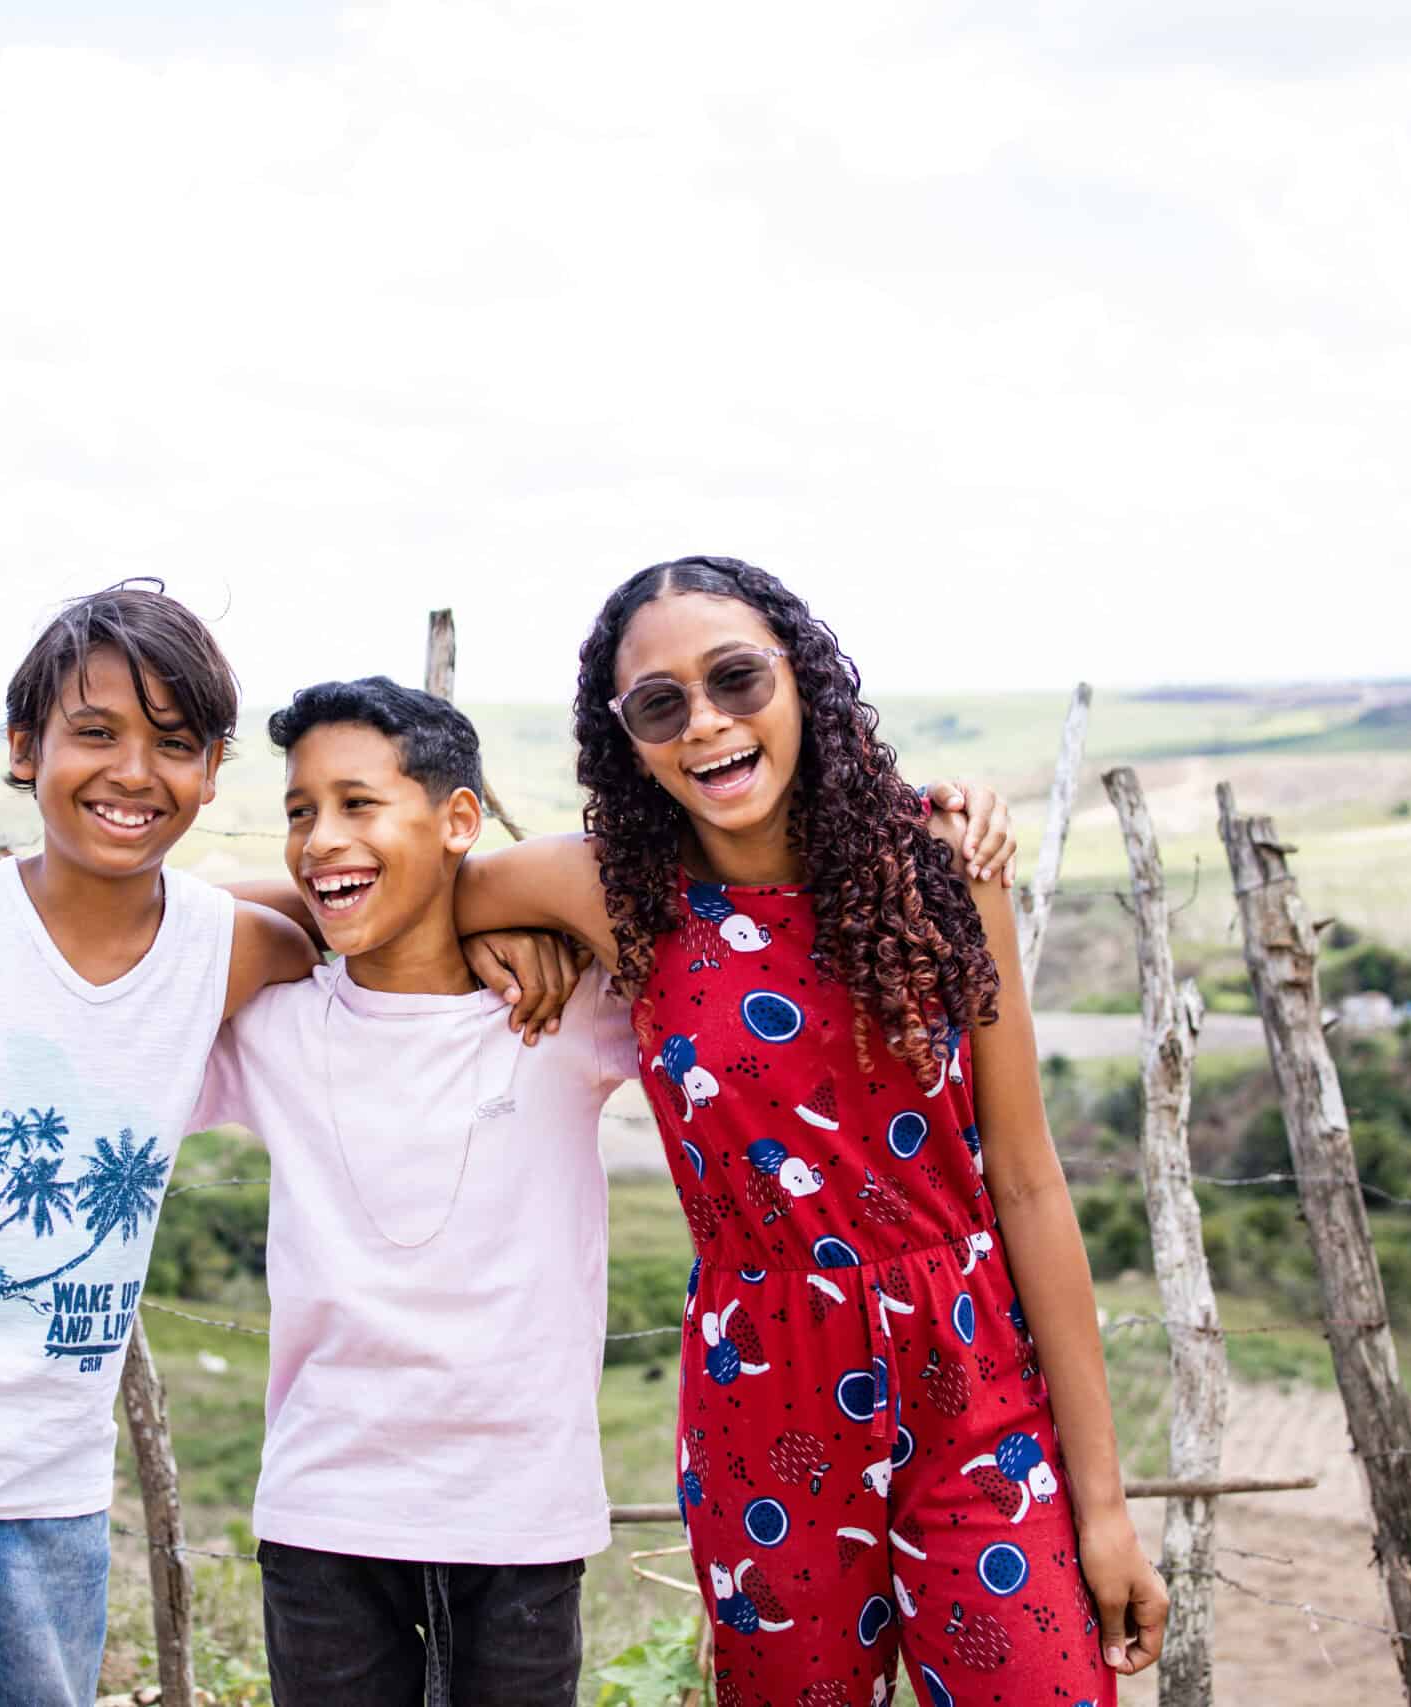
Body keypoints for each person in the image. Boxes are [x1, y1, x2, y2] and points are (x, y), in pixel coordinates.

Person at [0, 582, 576, 1707]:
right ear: (23, 747)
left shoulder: (232, 949)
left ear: (209, 773)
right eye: (94, 734)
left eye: (175, 744)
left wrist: (508, 929)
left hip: (44, 1466)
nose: (133, 773)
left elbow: (366, 907)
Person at [435, 556, 1168, 1704]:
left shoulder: (938, 869)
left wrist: (1105, 1507)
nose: (707, 724)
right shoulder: (611, 895)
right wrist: (502, 938)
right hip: (762, 1395)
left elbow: (1025, 1182)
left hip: (973, 1386)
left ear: (803, 683)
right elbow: (396, 897)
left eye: (736, 679)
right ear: (624, 739)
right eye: (659, 705)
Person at [188, 677, 636, 1706]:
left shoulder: (565, 1007)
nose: (318, 837)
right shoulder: (272, 1020)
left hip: (520, 1514)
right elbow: (151, 933)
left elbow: (668, 901)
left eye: (357, 804)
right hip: (325, 1516)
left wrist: (499, 906)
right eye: (299, 811)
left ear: (458, 820)